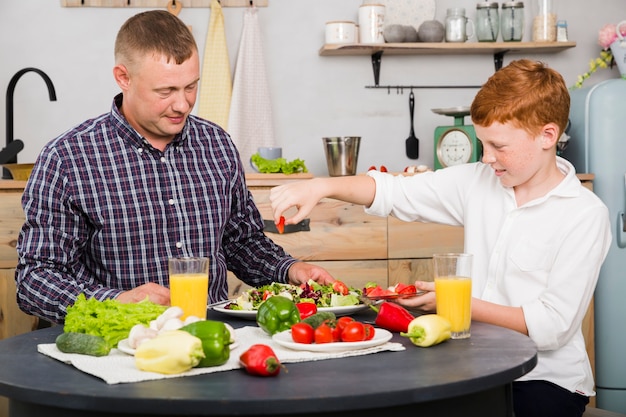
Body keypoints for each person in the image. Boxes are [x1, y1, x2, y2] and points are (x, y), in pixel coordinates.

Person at [269, 59, 611, 417]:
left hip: (546, 381)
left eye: (498, 146)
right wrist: (322, 186)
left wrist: (454, 302)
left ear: (548, 135)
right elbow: (393, 191)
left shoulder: (584, 214)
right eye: (482, 144)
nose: (487, 158)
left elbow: (552, 327)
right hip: (476, 367)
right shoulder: (479, 181)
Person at [15, 10, 333, 325]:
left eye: (191, 87)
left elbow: (242, 242)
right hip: (120, 345)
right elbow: (36, 278)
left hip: (212, 340)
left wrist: (290, 270)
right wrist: (116, 302)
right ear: (123, 77)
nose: (182, 104)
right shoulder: (68, 158)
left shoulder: (217, 144)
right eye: (166, 91)